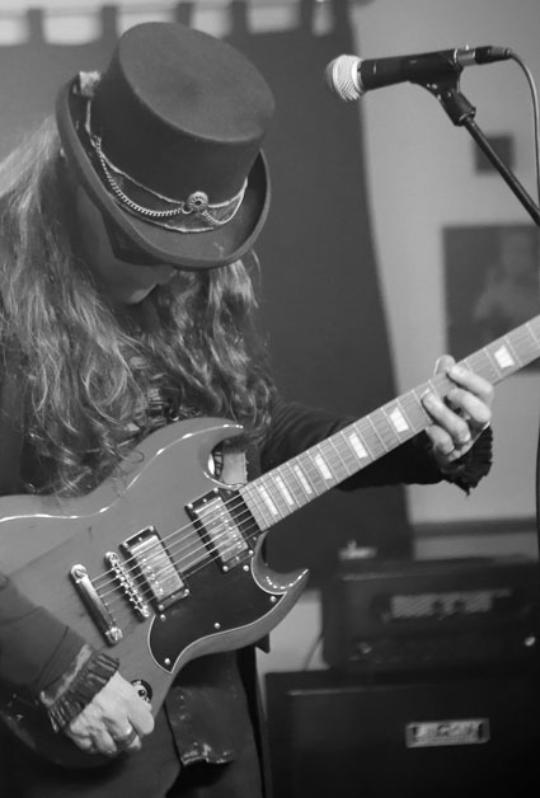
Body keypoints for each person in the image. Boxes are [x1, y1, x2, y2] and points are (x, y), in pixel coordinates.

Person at [0, 20, 493, 798]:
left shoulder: (193, 289)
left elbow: (247, 439)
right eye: (141, 243)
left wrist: (421, 439)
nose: (172, 273)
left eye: (188, 253)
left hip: (211, 716)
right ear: (77, 180)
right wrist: (62, 671)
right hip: (50, 734)